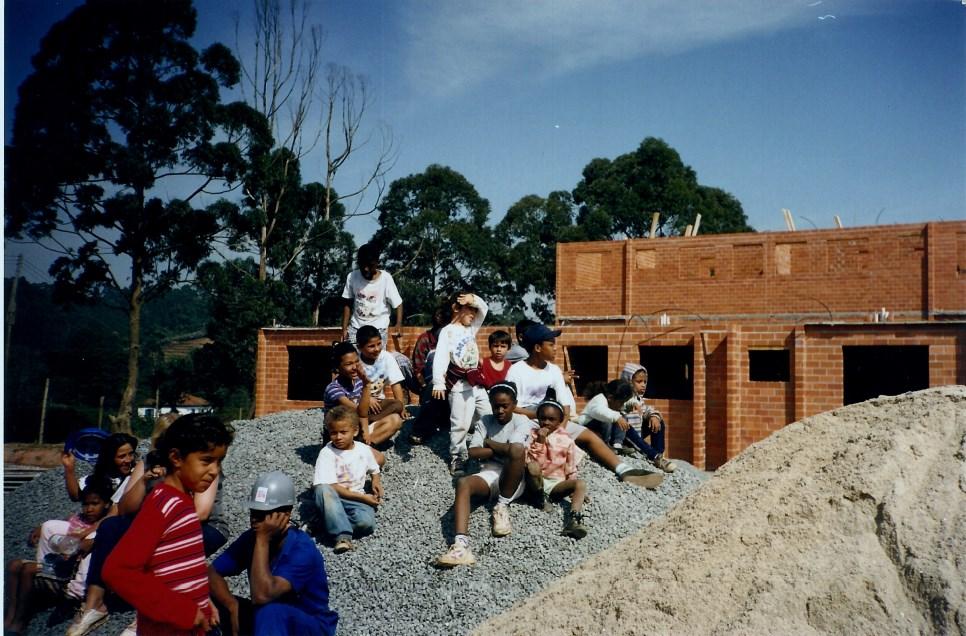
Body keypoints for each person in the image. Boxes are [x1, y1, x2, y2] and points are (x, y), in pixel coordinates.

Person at [102, 414, 233, 636]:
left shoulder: (182, 503)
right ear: (176, 458)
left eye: (219, 462)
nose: (214, 471)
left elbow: (183, 568)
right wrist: (183, 610)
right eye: (206, 460)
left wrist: (202, 601)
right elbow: (117, 570)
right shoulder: (163, 504)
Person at [505, 324, 660, 488]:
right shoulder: (516, 371)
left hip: (552, 419)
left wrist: (562, 428)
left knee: (589, 436)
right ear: (537, 347)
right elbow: (510, 406)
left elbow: (564, 405)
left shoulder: (554, 371)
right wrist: (537, 416)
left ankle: (624, 469)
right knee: (525, 448)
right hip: (526, 419)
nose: (555, 348)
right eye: (551, 344)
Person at [209, 472, 339, 636]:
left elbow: (263, 595)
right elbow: (212, 572)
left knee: (270, 611)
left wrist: (262, 539)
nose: (255, 520)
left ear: (285, 515)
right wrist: (231, 605)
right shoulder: (251, 538)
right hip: (269, 621)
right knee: (202, 598)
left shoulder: (302, 549)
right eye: (254, 512)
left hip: (308, 624)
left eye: (264, 514)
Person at [435, 382, 534, 568]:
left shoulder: (521, 421)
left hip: (513, 477)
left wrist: (488, 443)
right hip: (490, 472)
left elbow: (515, 452)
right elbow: (473, 453)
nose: (500, 410)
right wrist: (500, 450)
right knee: (463, 482)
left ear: (514, 404)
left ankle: (501, 506)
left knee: (517, 450)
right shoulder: (484, 421)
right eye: (496, 405)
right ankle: (461, 546)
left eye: (505, 405)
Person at [4, 478, 113, 634]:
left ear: (107, 504)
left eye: (94, 504)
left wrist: (74, 546)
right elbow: (63, 528)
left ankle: (20, 620)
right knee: (13, 565)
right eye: (86, 504)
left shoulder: (104, 526)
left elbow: (83, 548)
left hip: (68, 575)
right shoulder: (79, 519)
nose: (89, 509)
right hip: (55, 563)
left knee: (27, 570)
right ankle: (9, 616)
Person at [432, 292, 490, 476]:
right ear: (456, 308)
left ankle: (490, 450)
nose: (473, 314)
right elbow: (440, 357)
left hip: (476, 384)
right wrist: (438, 383)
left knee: (488, 415)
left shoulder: (471, 328)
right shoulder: (447, 331)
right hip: (459, 384)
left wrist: (473, 299)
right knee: (461, 424)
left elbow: (485, 309)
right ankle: (457, 456)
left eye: (474, 311)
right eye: (469, 310)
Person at [311, 406, 382, 554]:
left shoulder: (363, 449)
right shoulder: (327, 453)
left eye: (343, 432)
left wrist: (375, 482)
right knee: (322, 489)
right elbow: (332, 486)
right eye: (333, 433)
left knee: (366, 523)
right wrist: (364, 498)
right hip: (335, 497)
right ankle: (342, 537)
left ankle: (326, 523)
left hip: (355, 500)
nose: (338, 437)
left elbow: (374, 469)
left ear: (355, 431)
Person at [324, 341, 402, 464]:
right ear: (338, 367)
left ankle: (362, 446)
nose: (355, 367)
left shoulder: (358, 381)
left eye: (356, 362)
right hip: (341, 435)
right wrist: (367, 385)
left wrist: (365, 432)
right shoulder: (334, 389)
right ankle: (353, 454)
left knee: (396, 417)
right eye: (349, 364)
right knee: (379, 460)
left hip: (356, 427)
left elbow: (363, 413)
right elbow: (360, 411)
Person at [527, 390, 589, 539]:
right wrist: (540, 442)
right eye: (543, 418)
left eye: (551, 419)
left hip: (555, 485)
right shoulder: (531, 434)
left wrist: (574, 490)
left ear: (559, 420)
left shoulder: (566, 440)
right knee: (532, 468)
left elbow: (570, 467)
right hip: (536, 481)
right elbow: (533, 463)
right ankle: (539, 499)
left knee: (580, 484)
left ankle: (573, 520)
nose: (546, 422)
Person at [340, 241, 403, 347]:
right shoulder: (352, 277)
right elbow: (347, 303)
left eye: (370, 265)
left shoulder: (386, 279)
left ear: (377, 262)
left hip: (378, 330)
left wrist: (398, 324)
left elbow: (398, 304)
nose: (365, 269)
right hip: (356, 329)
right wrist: (344, 328)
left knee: (375, 361)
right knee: (355, 361)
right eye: (362, 265)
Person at [408, 301, 451, 445]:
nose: (438, 317)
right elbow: (418, 368)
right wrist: (426, 387)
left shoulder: (454, 338)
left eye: (442, 314)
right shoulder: (425, 339)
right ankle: (420, 430)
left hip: (452, 383)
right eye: (436, 314)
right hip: (431, 384)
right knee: (433, 389)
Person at [620, 363, 676, 473]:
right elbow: (621, 408)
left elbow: (647, 410)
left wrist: (653, 417)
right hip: (622, 437)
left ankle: (659, 454)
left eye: (645, 382)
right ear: (628, 381)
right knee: (627, 428)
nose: (643, 385)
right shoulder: (621, 397)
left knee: (658, 421)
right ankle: (654, 456)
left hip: (636, 436)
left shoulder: (639, 399)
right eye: (639, 382)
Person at [62, 432, 139, 505]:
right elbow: (76, 496)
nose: (129, 460)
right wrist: (69, 469)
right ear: (109, 458)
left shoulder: (138, 475)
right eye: (122, 456)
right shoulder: (98, 479)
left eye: (131, 454)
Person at [356, 324, 408, 420]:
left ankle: (370, 420)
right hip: (358, 403)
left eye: (379, 344)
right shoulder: (355, 361)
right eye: (371, 346)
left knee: (397, 405)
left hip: (379, 404)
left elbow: (395, 384)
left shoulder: (386, 357)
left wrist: (402, 409)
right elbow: (349, 390)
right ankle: (366, 420)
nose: (377, 349)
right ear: (359, 347)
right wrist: (367, 400)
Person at [578, 380, 637, 454]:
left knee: (622, 416)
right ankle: (604, 445)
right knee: (608, 420)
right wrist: (617, 417)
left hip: (598, 428)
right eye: (621, 403)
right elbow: (599, 412)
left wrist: (634, 404)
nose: (622, 405)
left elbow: (619, 409)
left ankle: (617, 444)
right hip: (586, 427)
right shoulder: (599, 399)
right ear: (610, 398)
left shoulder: (611, 401)